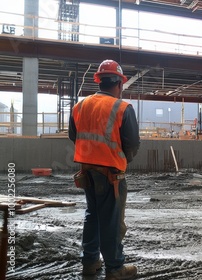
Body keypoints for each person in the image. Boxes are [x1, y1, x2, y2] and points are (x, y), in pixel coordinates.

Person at [69, 59, 140, 279]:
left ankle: (90, 262)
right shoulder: (122, 108)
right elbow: (133, 143)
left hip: (87, 171)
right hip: (111, 174)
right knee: (111, 219)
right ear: (119, 83)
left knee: (93, 215)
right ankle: (115, 268)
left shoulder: (79, 106)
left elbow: (74, 136)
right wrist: (122, 159)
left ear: (99, 81)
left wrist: (91, 154)